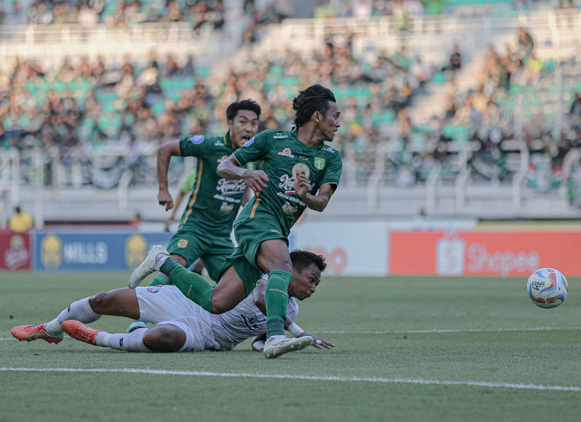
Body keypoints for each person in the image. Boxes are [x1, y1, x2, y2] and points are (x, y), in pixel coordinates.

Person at [130, 84, 342, 358]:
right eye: (335, 116)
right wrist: (245, 174)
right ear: (316, 116)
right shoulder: (271, 140)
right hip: (255, 220)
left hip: (267, 230)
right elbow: (224, 166)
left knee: (217, 301)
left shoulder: (331, 158)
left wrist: (306, 196)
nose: (338, 124)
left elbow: (322, 203)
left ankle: (161, 261)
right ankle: (274, 337)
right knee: (282, 267)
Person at [12, 250, 333, 354]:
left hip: (208, 337)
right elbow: (263, 300)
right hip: (185, 304)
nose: (313, 288)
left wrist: (265, 343)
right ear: (289, 271)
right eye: (311, 279)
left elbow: (260, 342)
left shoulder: (291, 308)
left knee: (159, 338)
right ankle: (50, 328)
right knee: (104, 299)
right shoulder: (266, 284)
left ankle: (98, 338)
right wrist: (298, 332)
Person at [124, 100, 260, 333]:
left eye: (254, 123)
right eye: (243, 122)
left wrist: (248, 205)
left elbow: (244, 187)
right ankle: (138, 319)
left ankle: (257, 330)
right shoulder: (210, 145)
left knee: (237, 282)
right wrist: (163, 188)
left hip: (221, 237)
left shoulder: (252, 154)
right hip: (195, 228)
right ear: (229, 123)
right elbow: (165, 149)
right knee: (174, 264)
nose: (248, 128)